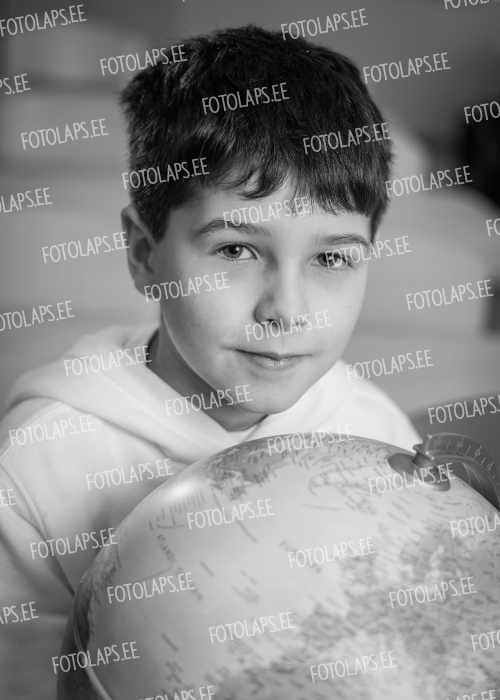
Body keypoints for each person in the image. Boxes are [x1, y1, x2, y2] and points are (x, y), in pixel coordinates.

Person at [0, 25, 420, 700]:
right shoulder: (43, 461)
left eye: (332, 257)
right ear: (144, 254)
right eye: (235, 251)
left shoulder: (374, 433)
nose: (286, 310)